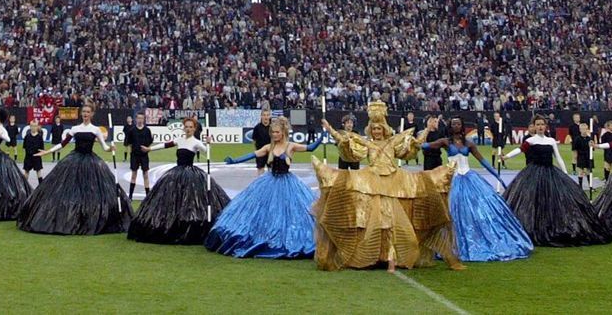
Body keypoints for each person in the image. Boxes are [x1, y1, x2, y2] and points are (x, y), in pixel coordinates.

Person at [314, 98, 455, 272]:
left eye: (379, 128)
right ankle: (375, 255)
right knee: (373, 217)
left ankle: (391, 257)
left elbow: (412, 147)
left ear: (384, 128)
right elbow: (350, 148)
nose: (376, 131)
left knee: (392, 219)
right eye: (373, 128)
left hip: (394, 181)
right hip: (372, 181)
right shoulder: (367, 143)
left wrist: (426, 129)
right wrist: (331, 131)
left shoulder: (393, 141)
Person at [206, 115, 316, 259]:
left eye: (277, 132)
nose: (275, 135)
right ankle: (265, 236)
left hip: (288, 184)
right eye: (273, 132)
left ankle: (285, 238)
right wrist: (234, 161)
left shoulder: (291, 146)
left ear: (283, 132)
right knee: (263, 212)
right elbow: (252, 154)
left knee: (289, 213)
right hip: (269, 182)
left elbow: (311, 147)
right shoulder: (268, 147)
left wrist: (324, 134)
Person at [16, 103, 130, 235]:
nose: (85, 114)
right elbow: (62, 144)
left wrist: (111, 148)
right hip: (74, 160)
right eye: (84, 112)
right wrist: (47, 152)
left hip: (90, 161)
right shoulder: (75, 129)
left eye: (88, 112)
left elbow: (104, 147)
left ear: (92, 114)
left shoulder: (96, 130)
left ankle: (89, 218)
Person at [501, 115, 612, 247]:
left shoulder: (551, 141)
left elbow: (558, 158)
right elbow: (519, 150)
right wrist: (506, 156)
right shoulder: (530, 141)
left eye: (542, 124)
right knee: (534, 200)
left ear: (545, 126)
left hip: (550, 172)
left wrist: (565, 174)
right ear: (534, 126)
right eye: (538, 124)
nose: (540, 126)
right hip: (534, 173)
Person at [128, 116, 232, 245]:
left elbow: (207, 151)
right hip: (176, 172)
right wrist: (150, 149)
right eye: (186, 127)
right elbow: (166, 145)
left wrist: (209, 143)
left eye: (190, 127)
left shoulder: (196, 142)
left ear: (194, 129)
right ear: (184, 128)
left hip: (191, 174)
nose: (188, 129)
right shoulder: (180, 140)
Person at [441, 117, 532, 262]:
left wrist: (497, 176)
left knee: (478, 208)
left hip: (468, 177)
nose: (456, 126)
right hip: (453, 179)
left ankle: (474, 238)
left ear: (462, 125)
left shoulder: (469, 144)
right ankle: (451, 242)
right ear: (450, 127)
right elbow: (427, 145)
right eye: (453, 124)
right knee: (452, 210)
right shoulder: (445, 142)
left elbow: (482, 161)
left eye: (458, 123)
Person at [126, 112, 154, 198]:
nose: (140, 120)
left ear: (144, 120)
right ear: (136, 119)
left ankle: (147, 196)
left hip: (144, 155)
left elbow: (150, 142)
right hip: (134, 155)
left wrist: (146, 149)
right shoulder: (132, 131)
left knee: (145, 174)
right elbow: (128, 143)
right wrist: (133, 150)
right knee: (134, 174)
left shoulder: (147, 130)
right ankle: (130, 196)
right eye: (139, 118)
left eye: (142, 118)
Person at [570, 121, 595, 194]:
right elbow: (575, 149)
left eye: (585, 129)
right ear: (580, 130)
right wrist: (575, 157)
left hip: (588, 156)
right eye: (582, 129)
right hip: (581, 156)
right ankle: (580, 187)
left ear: (587, 129)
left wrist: (592, 145)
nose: (584, 131)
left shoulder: (590, 138)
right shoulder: (577, 139)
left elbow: (593, 148)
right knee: (580, 172)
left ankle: (590, 186)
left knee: (588, 172)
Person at [21, 119, 47, 187]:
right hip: (28, 157)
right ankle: (25, 187)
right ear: (30, 126)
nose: (33, 127)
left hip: (37, 157)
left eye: (35, 126)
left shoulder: (39, 137)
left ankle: (41, 187)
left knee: (39, 172)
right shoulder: (27, 137)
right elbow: (24, 147)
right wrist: (27, 155)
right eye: (32, 126)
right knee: (26, 172)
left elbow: (42, 149)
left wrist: (39, 154)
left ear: (37, 126)